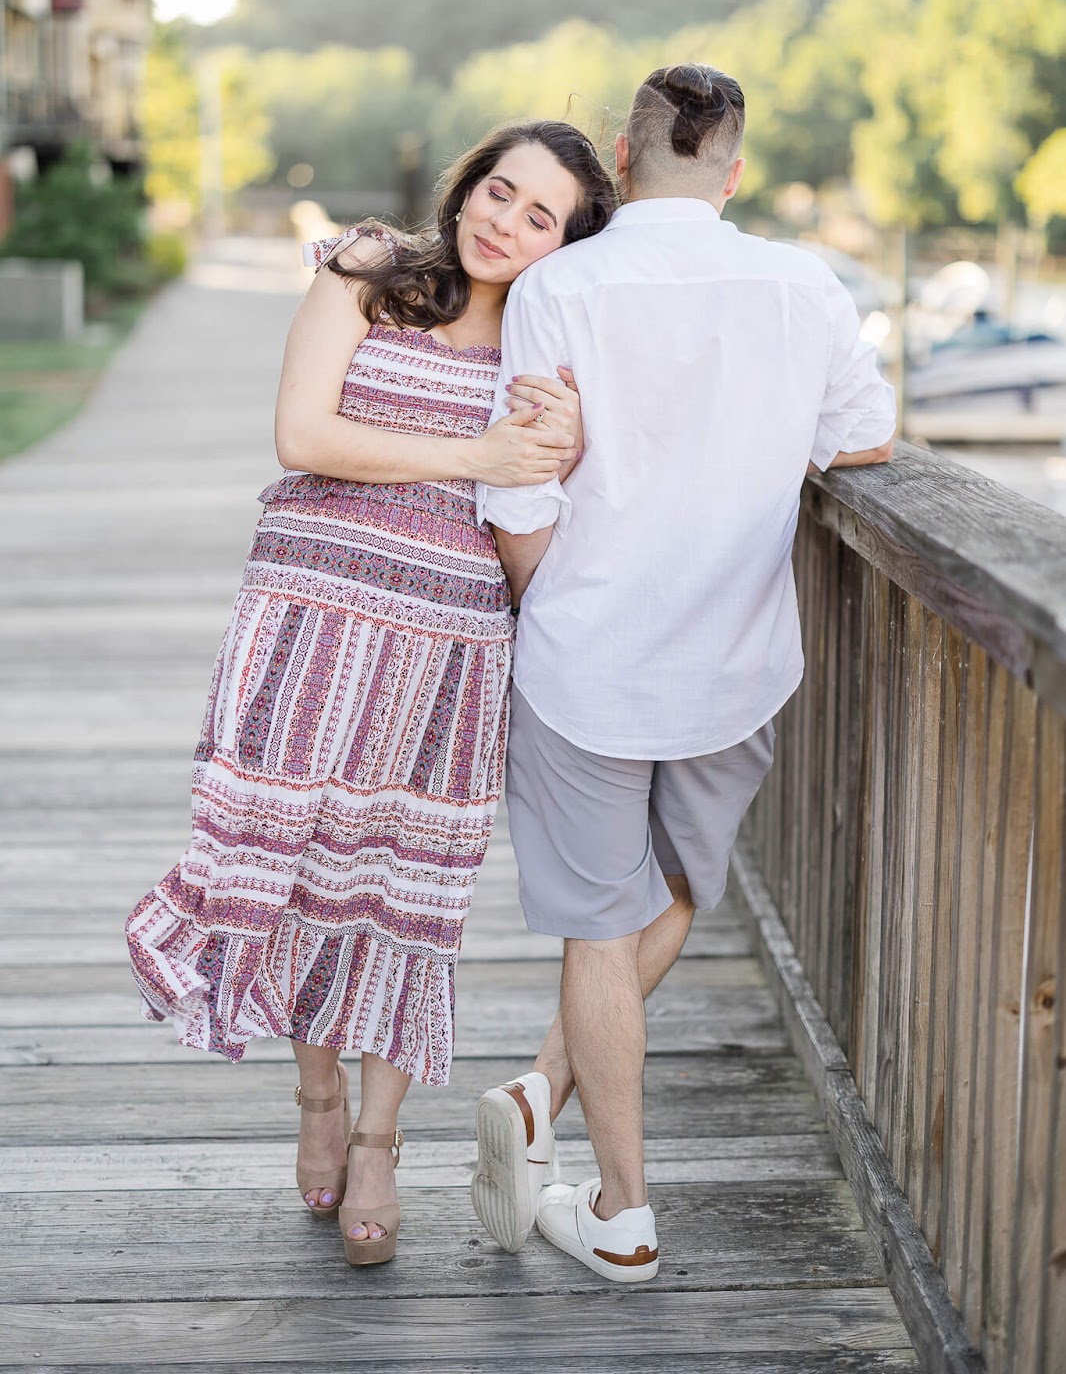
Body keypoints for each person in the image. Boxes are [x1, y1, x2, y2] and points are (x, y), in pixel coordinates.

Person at [125, 120, 617, 1267]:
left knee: (403, 883)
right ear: (469, 182)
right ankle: (317, 1100)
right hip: (308, 618)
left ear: (567, 246)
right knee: (297, 861)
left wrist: (554, 450)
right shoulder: (365, 269)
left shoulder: (550, 354)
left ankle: (384, 1136)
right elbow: (302, 432)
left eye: (539, 216)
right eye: (500, 189)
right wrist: (472, 456)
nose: (504, 220)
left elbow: (542, 515)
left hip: (448, 644)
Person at [469, 64, 896, 1282]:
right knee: (673, 892)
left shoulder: (558, 286)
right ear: (734, 171)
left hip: (585, 662)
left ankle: (618, 1196)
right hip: (731, 658)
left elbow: (516, 482)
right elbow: (860, 440)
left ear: (622, 153)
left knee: (604, 925)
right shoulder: (803, 285)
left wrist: (548, 596)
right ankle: (585, 1165)